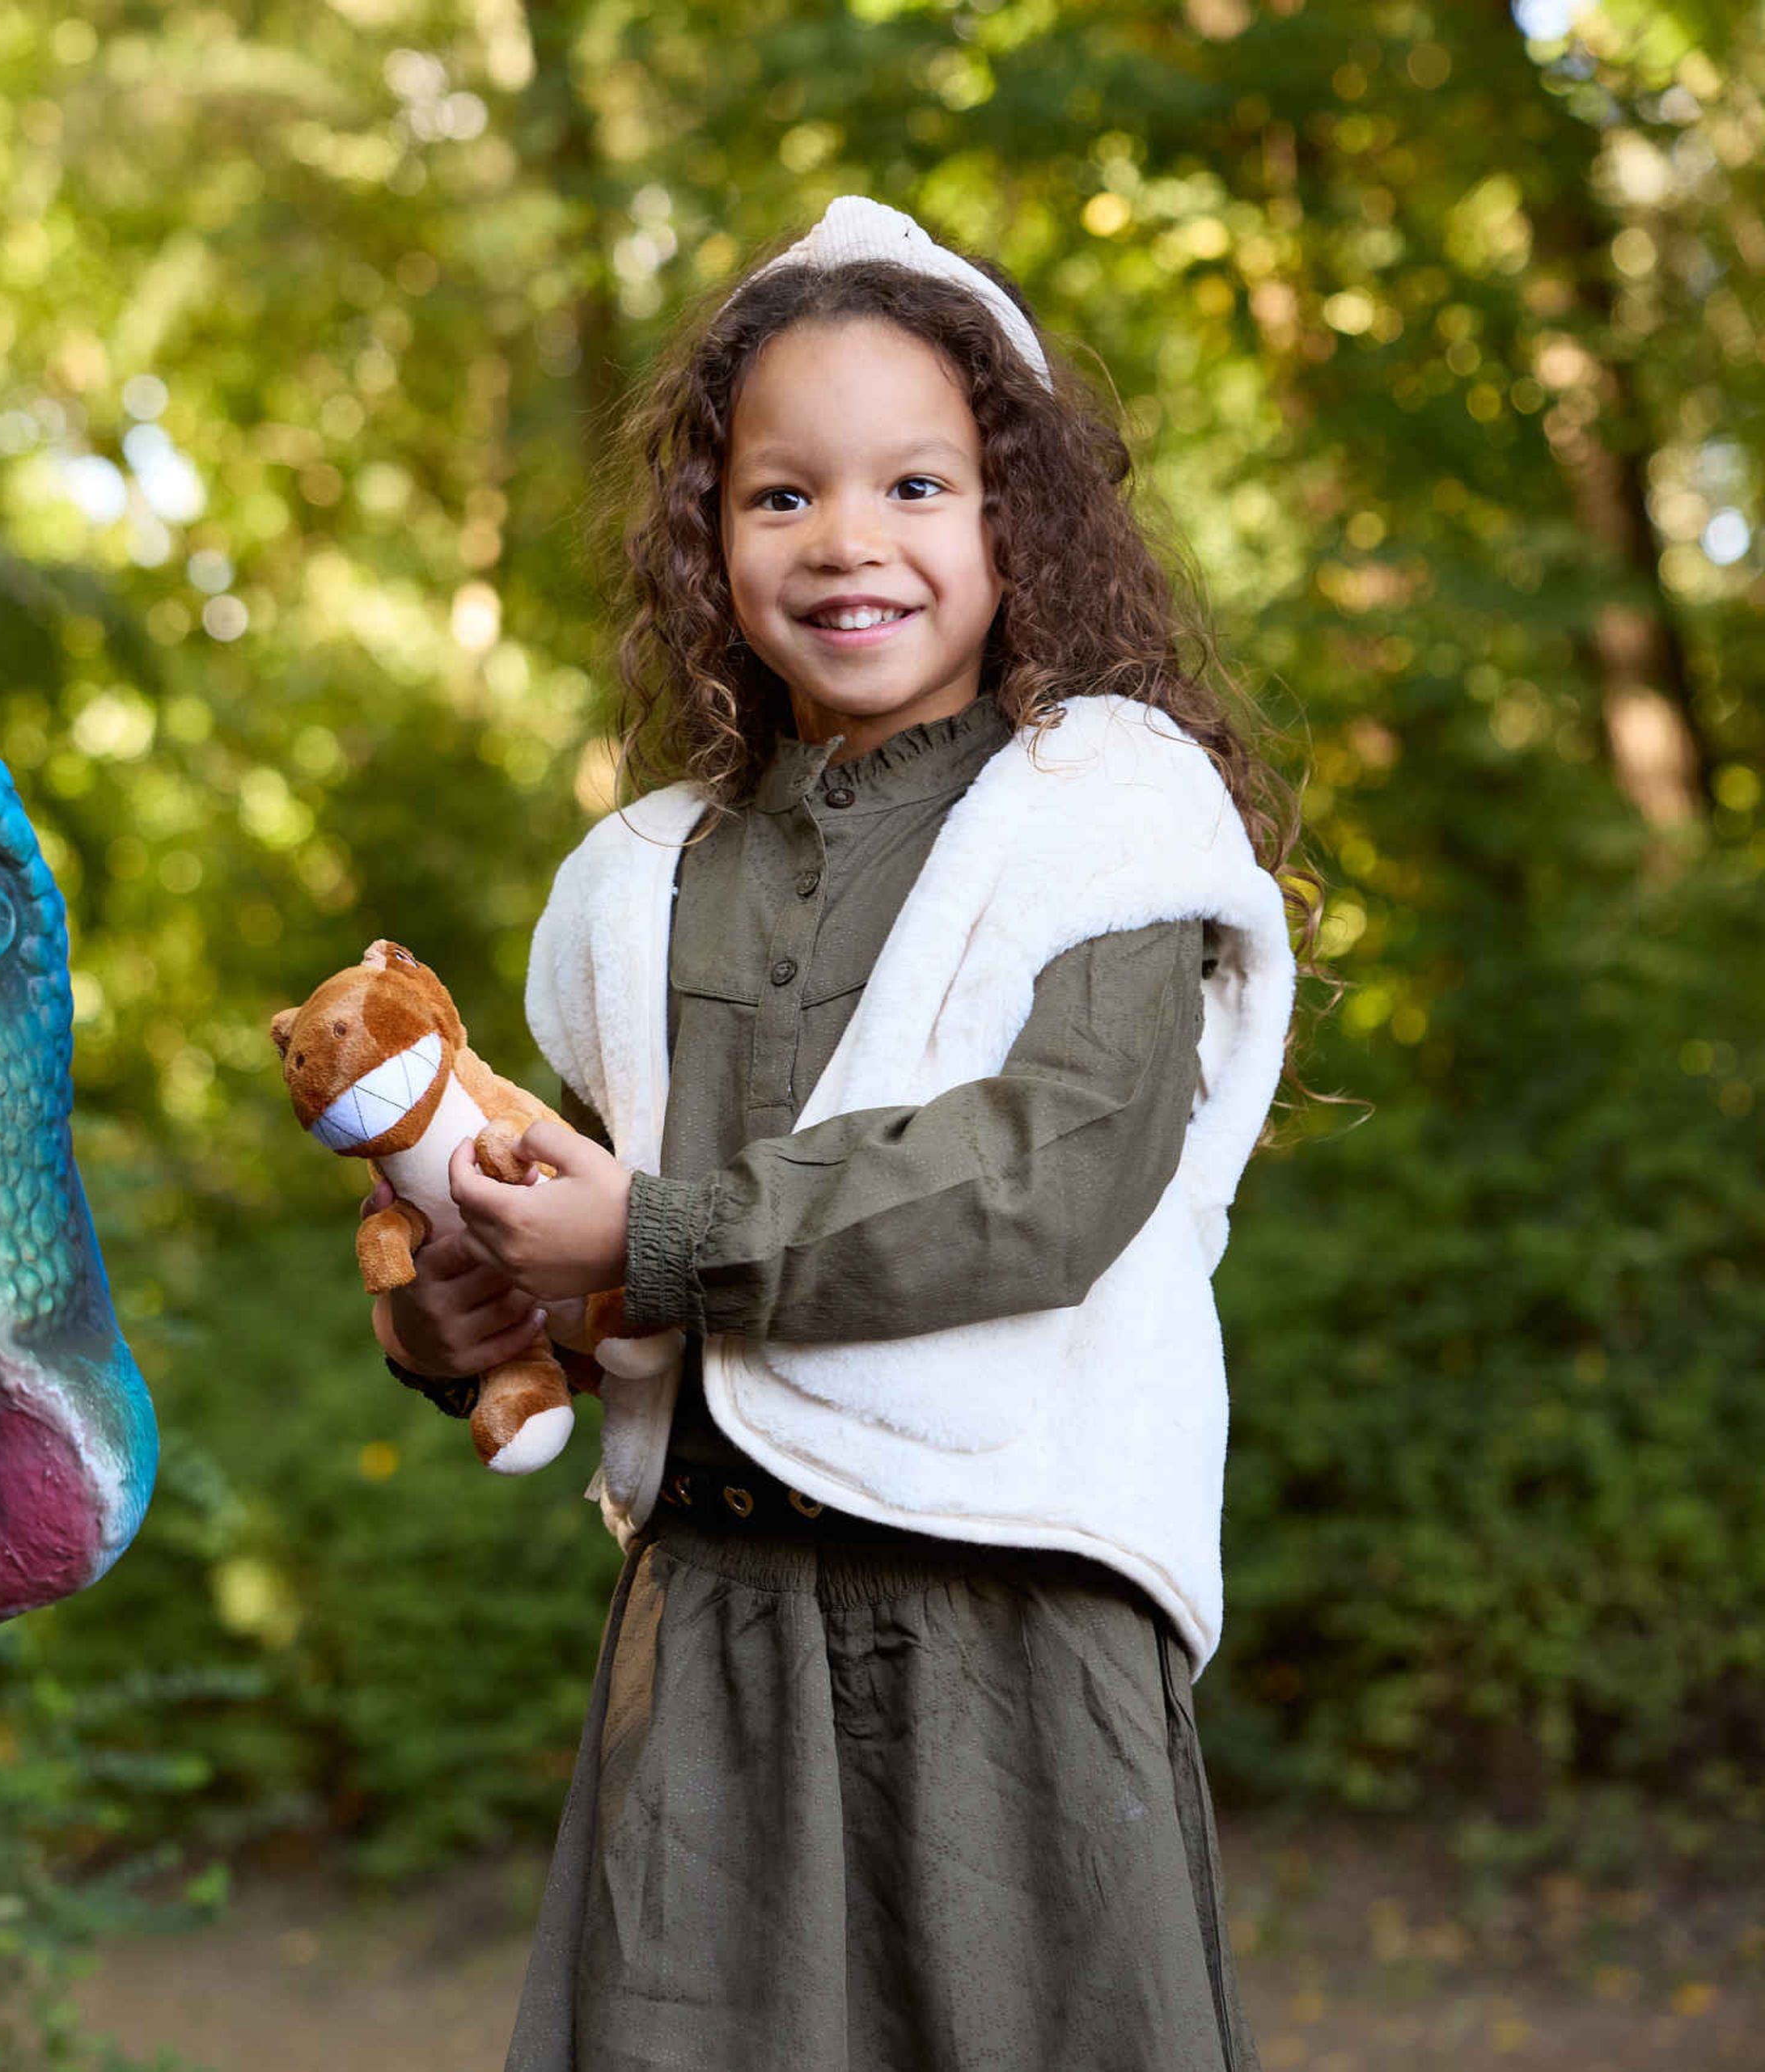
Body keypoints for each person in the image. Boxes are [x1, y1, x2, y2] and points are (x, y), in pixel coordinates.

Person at [371, 196, 1304, 2070]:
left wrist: (644, 1238)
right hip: (706, 1635)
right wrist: (462, 1309)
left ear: (1013, 524)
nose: (848, 541)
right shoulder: (637, 881)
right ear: (709, 541)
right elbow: (567, 1223)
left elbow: (1047, 1176)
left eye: (918, 487)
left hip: (1009, 1631)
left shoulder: (1107, 808)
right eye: (781, 496)